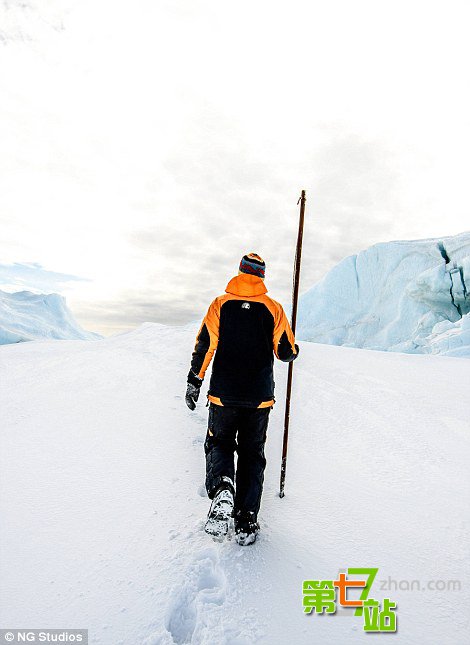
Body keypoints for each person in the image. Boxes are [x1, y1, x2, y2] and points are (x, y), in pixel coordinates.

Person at [185, 253, 299, 545]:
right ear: (262, 276)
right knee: (252, 455)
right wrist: (293, 349)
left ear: (239, 272)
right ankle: (246, 521)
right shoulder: (273, 308)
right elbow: (285, 352)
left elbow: (205, 344)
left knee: (219, 443)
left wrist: (194, 380)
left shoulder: (220, 304)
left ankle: (223, 486)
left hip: (224, 395)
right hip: (259, 398)